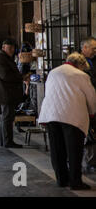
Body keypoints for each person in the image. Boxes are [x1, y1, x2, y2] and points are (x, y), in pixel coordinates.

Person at [39, 53, 96, 190]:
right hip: (72, 116)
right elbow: (91, 97)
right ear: (80, 65)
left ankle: (61, 179)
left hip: (51, 114)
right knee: (74, 151)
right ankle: (76, 182)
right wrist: (92, 113)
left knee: (57, 150)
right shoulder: (81, 76)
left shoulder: (53, 72)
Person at [0, 39, 24, 148]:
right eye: (9, 48)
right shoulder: (1, 59)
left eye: (12, 48)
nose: (11, 50)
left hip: (7, 93)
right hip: (5, 93)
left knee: (7, 117)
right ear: (3, 48)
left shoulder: (5, 58)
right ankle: (7, 141)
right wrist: (21, 77)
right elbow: (5, 76)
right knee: (7, 117)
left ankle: (5, 141)